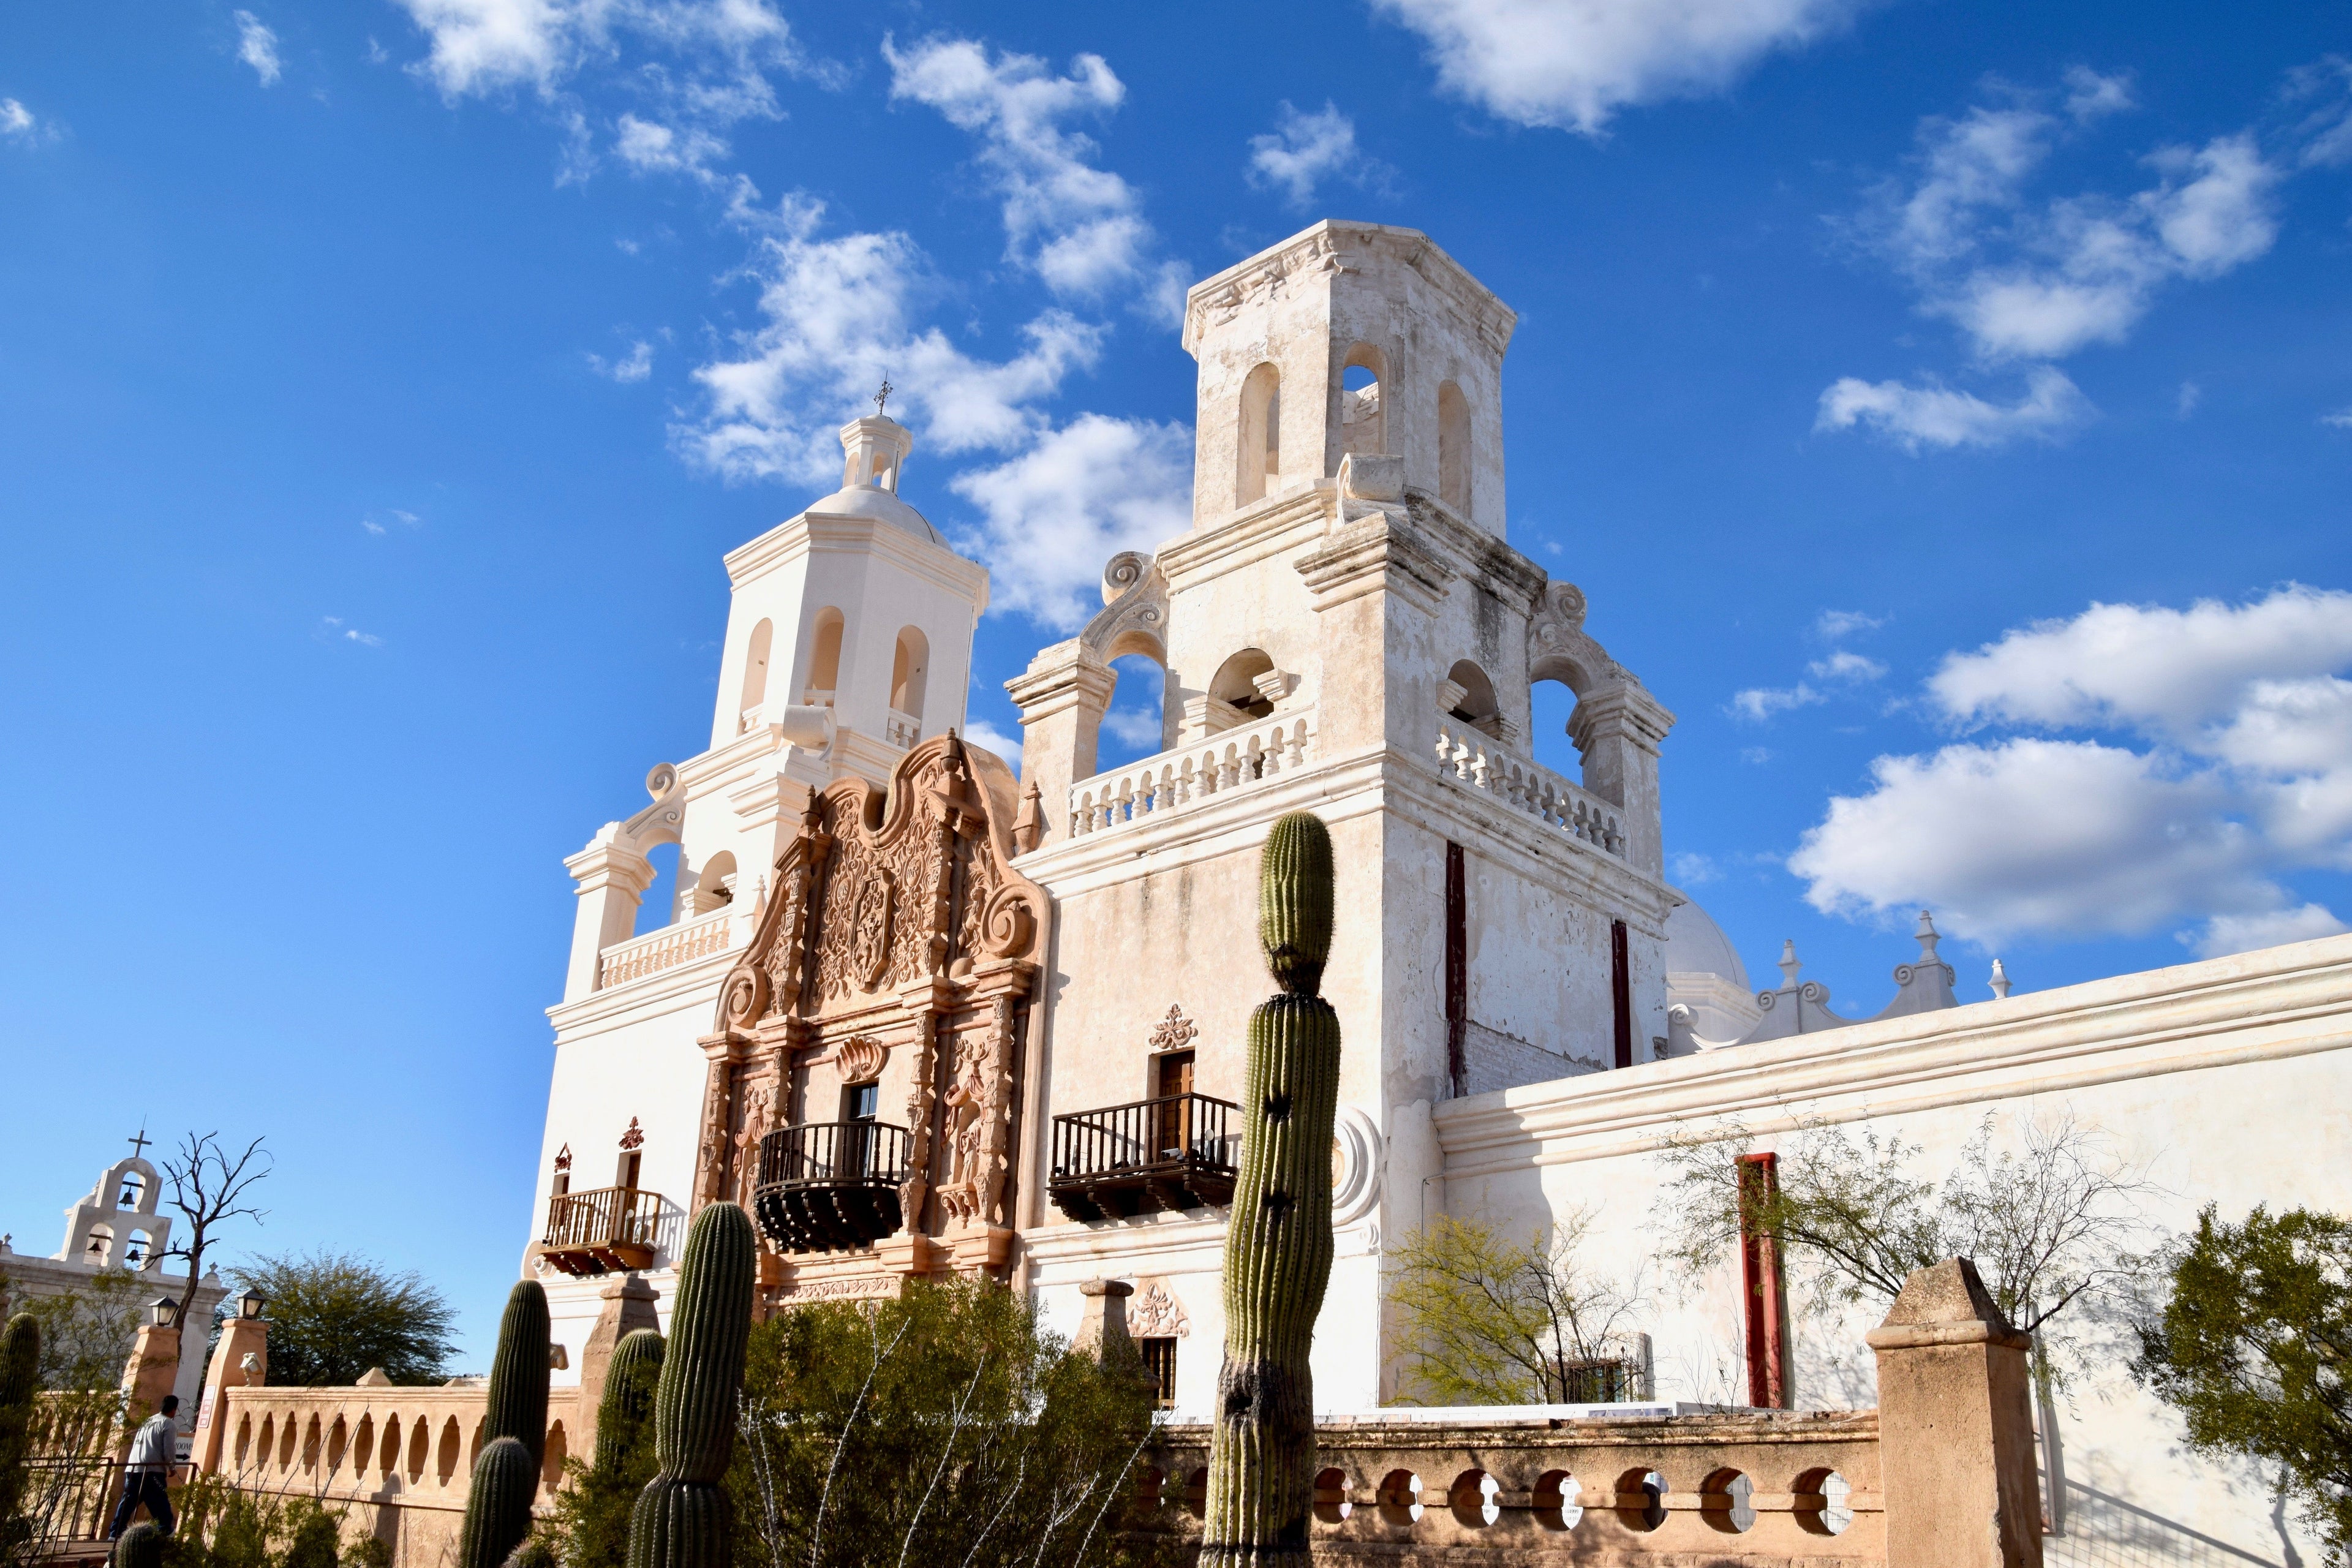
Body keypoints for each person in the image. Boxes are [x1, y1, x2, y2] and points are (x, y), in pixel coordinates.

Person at [108, 1394, 179, 1538]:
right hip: (152, 1469)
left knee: (128, 1501)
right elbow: (169, 1448)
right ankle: (166, 1529)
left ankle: (115, 1532)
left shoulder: (148, 1421)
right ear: (174, 1409)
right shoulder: (168, 1424)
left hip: (134, 1467)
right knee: (159, 1499)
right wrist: (172, 1466)